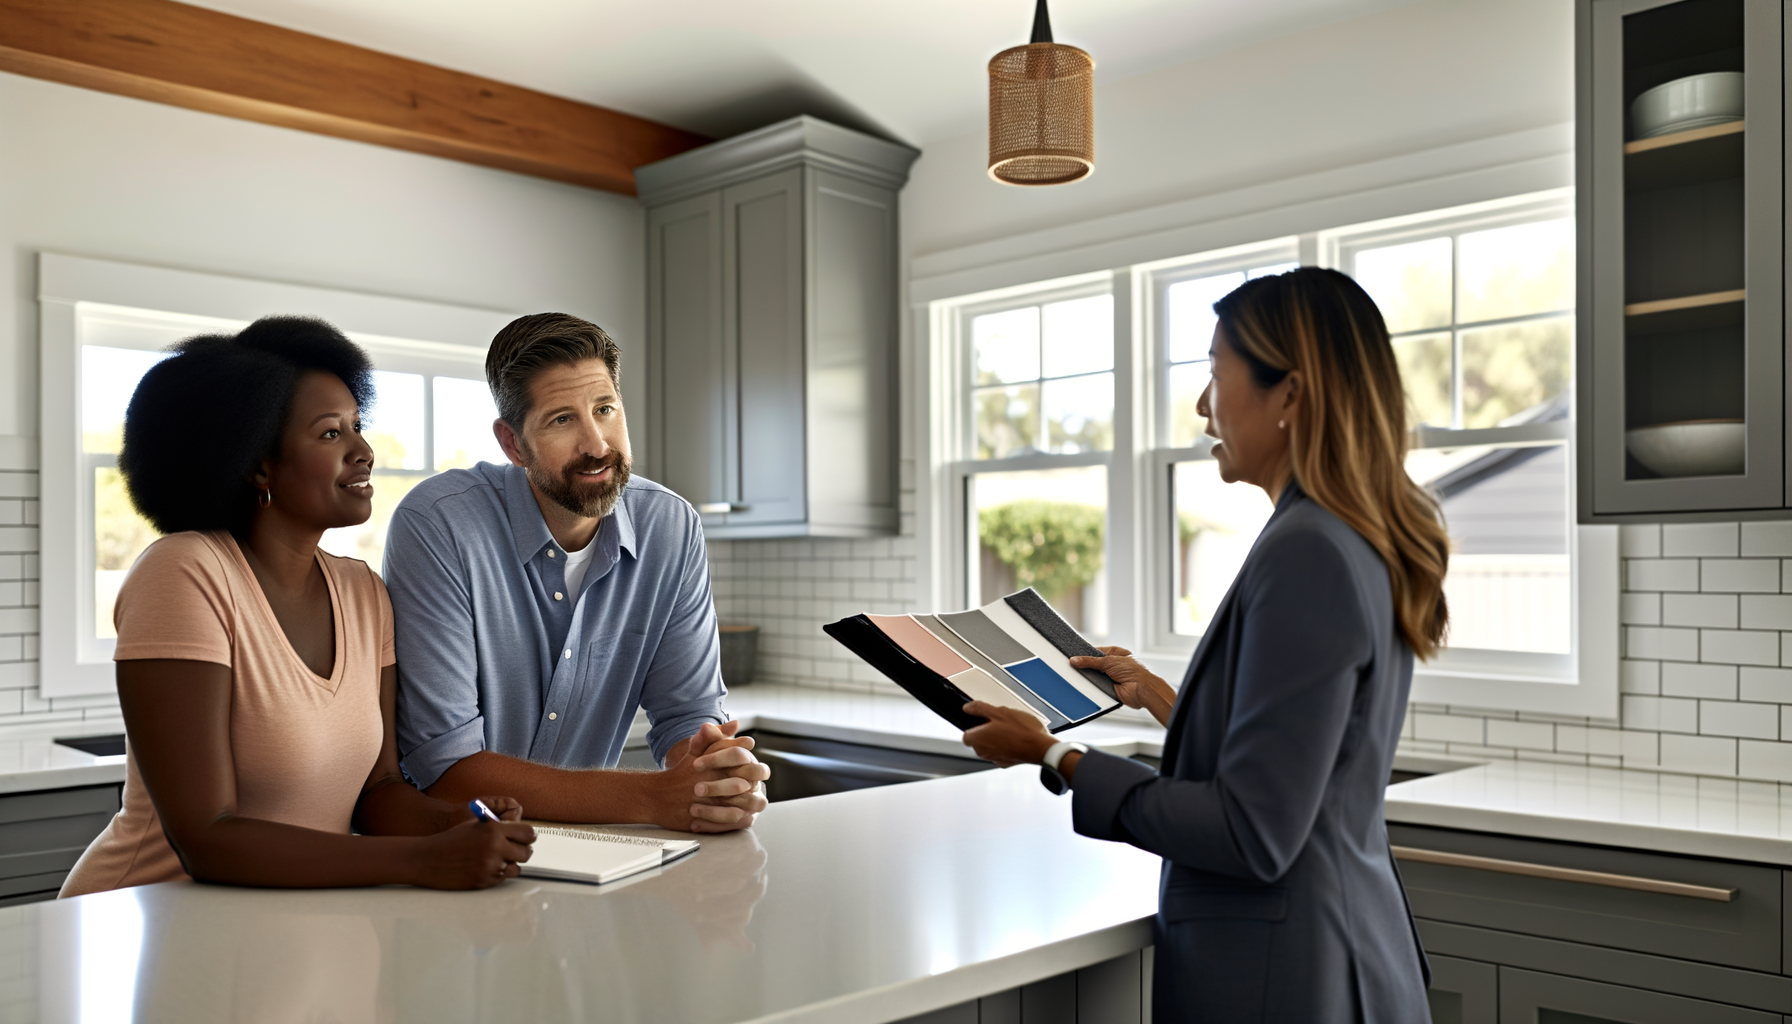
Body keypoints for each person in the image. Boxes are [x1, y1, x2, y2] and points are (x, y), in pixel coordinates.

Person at [961, 268, 1445, 1022]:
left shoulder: (1306, 550)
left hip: (1289, 979)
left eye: (1216, 372)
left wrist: (1053, 754)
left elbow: (1251, 831)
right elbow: (1288, 758)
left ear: (1289, 392)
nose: (1201, 404)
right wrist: (1158, 695)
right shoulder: (1348, 537)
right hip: (1336, 954)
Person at [62, 317, 536, 897]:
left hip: (285, 928)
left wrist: (455, 821)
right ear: (258, 461)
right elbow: (206, 837)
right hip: (149, 920)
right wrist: (423, 861)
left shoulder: (364, 594)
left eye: (357, 427)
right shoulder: (186, 572)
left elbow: (377, 790)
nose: (364, 451)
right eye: (330, 434)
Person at [386, 313, 768, 831]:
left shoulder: (670, 526)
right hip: (453, 860)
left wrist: (709, 774)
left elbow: (688, 715)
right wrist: (655, 798)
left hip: (592, 863)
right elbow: (446, 768)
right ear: (513, 444)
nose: (596, 444)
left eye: (605, 409)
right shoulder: (439, 525)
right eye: (562, 419)